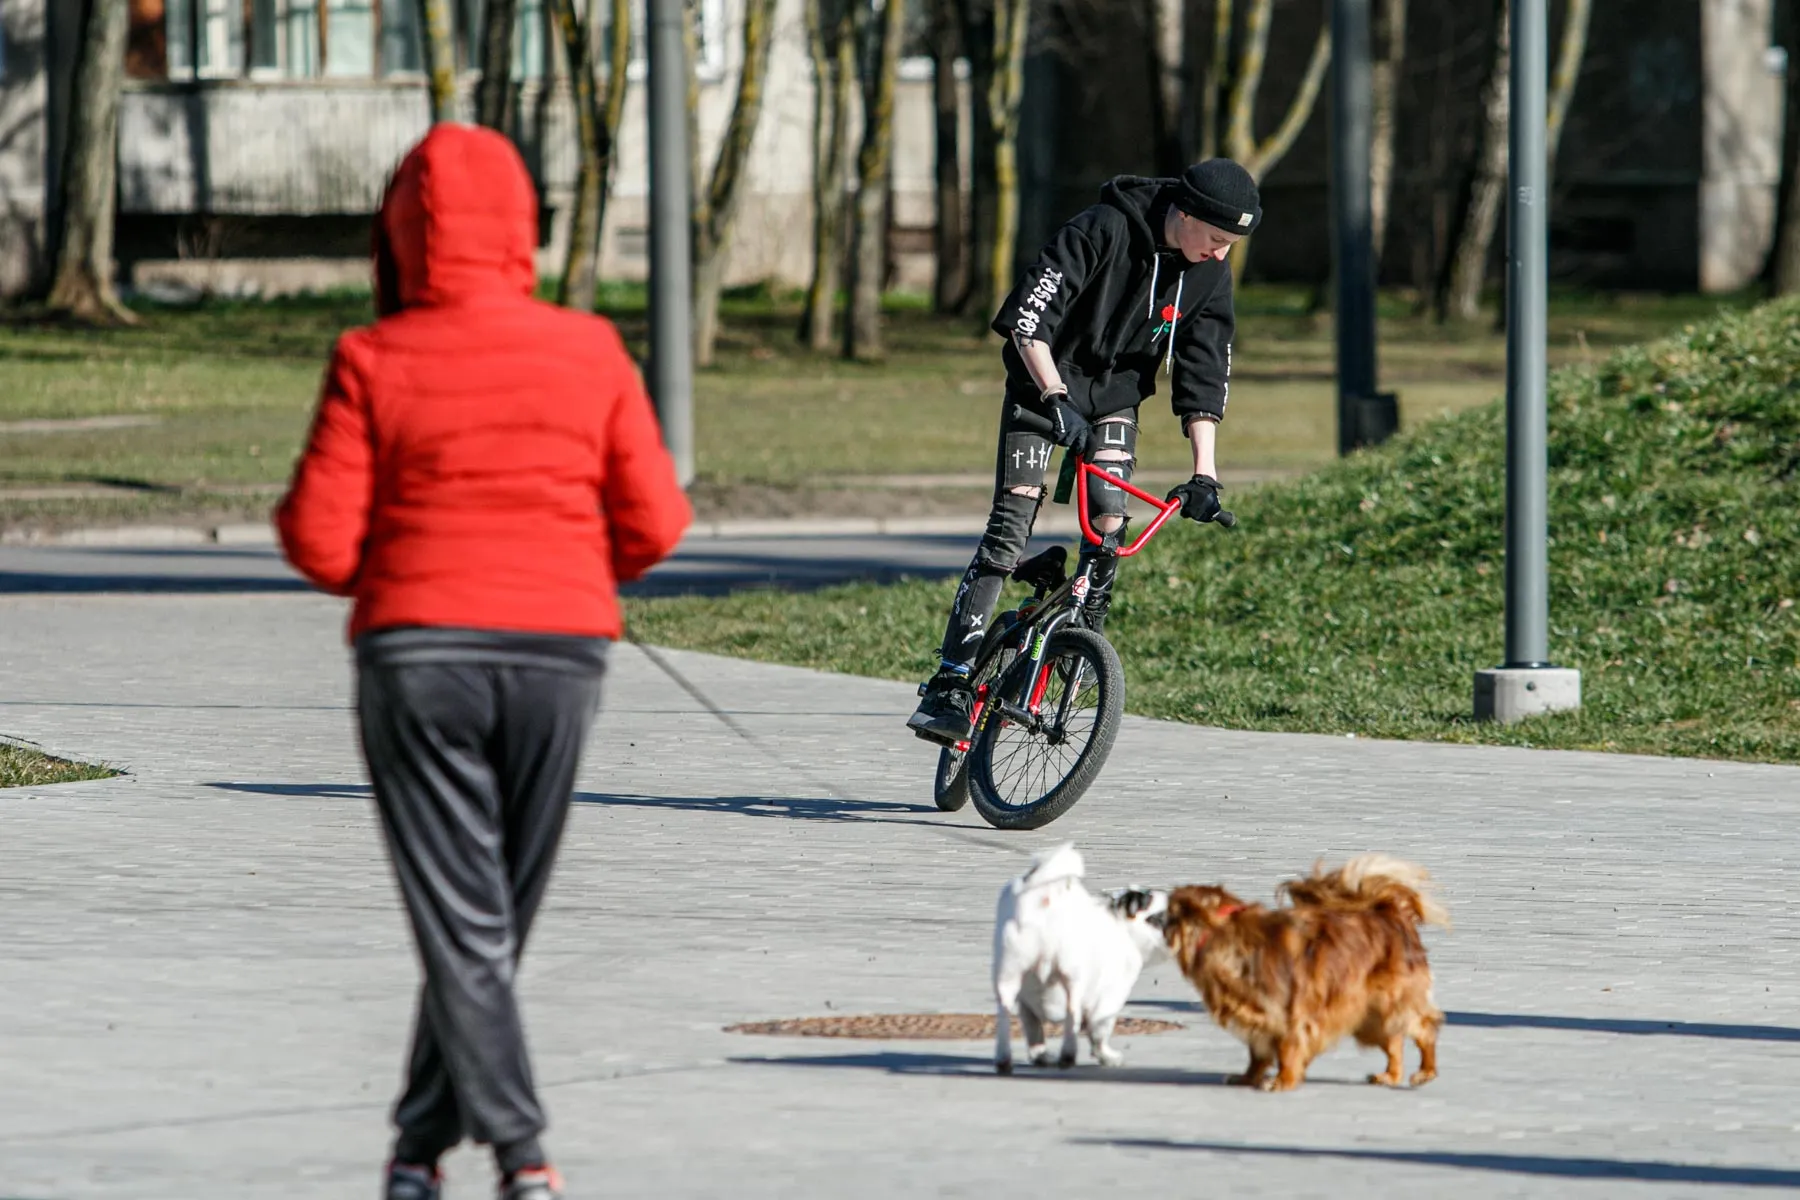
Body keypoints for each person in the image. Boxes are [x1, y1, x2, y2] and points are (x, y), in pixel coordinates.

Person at [276, 124, 691, 1200]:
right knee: (487, 917)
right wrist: (567, 559)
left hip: (418, 659)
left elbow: (318, 541)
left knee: (468, 921)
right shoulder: (590, 349)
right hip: (560, 660)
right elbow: (655, 524)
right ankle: (429, 1154)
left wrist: (407, 559)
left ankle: (511, 1155)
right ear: (521, 230)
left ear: (399, 240)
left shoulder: (373, 357)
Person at [906, 159, 1258, 744]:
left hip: (1115, 398)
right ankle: (951, 682)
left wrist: (1206, 473)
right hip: (1042, 385)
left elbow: (1203, 371)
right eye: (1217, 238)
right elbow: (1028, 320)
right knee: (1009, 527)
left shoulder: (1209, 274)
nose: (1221, 254)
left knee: (1109, 527)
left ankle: (1078, 649)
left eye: (1232, 245)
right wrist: (1054, 396)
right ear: (1185, 213)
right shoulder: (1102, 227)